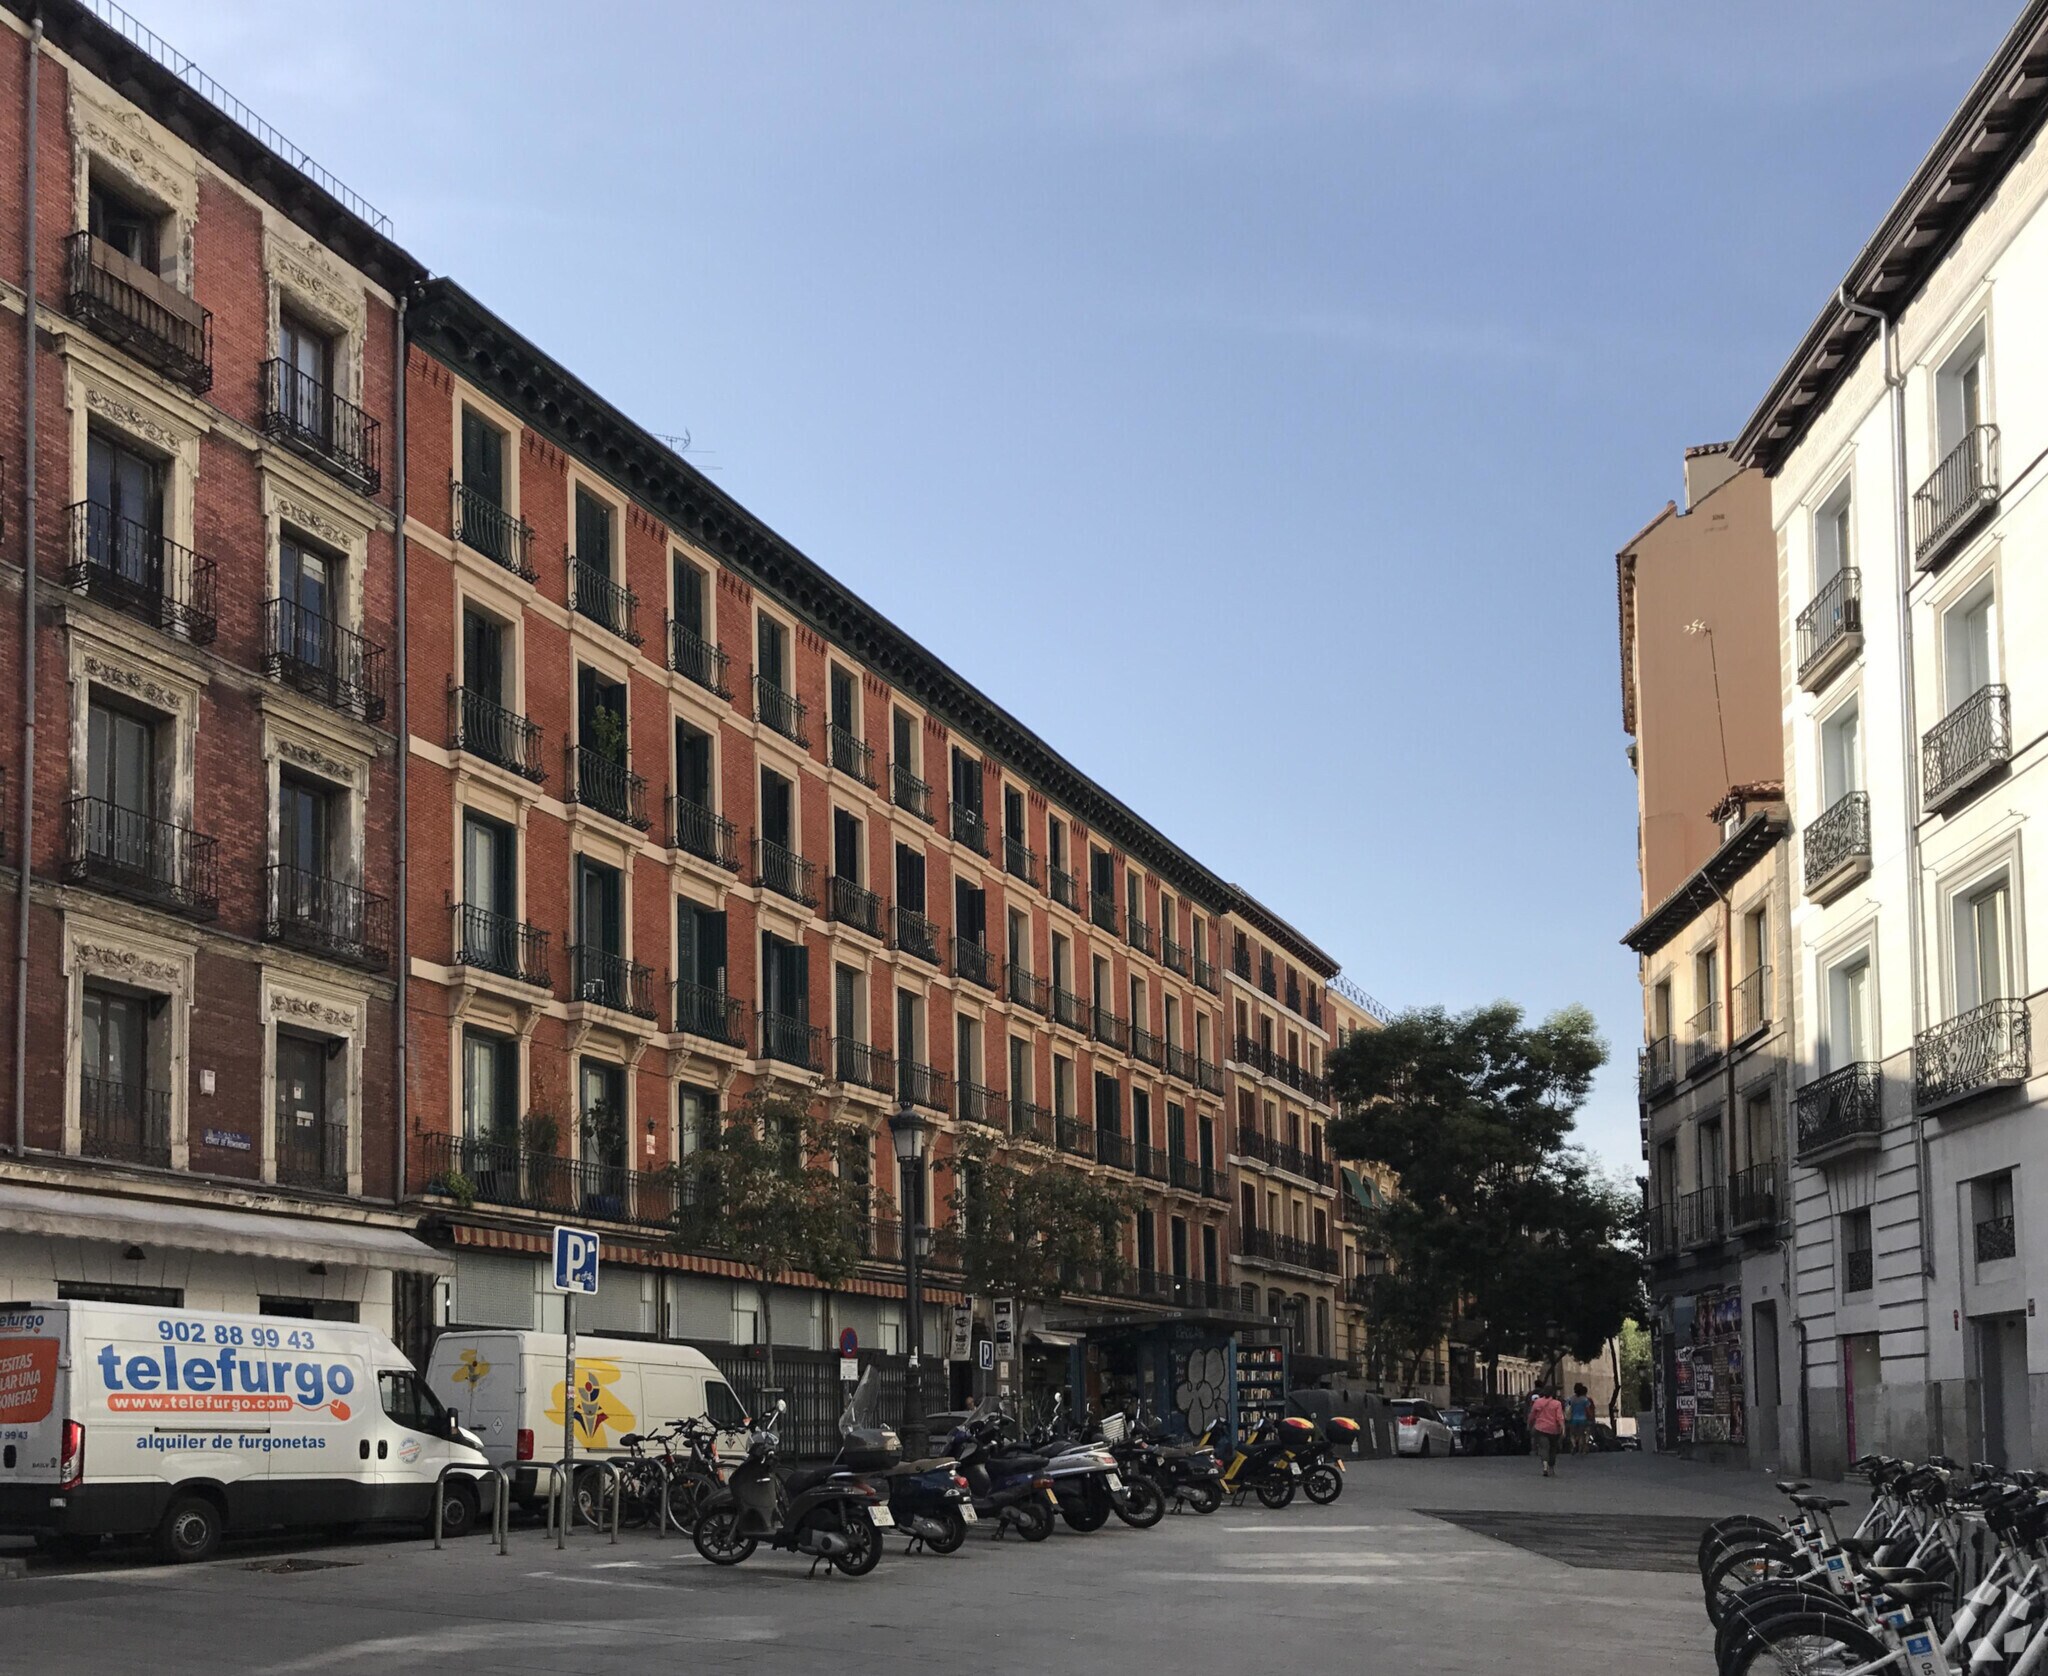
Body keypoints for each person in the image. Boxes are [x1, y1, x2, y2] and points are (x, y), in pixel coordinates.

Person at [1527, 1385, 1566, 1476]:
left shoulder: (1537, 1402)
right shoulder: (1557, 1404)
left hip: (1540, 1428)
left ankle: (1545, 1467)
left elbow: (1532, 1415)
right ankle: (1551, 1467)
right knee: (1552, 1448)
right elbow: (1560, 1417)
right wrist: (1563, 1428)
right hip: (1553, 1429)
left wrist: (1529, 1424)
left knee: (1543, 1447)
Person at [1567, 1383, 1594, 1455]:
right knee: (1581, 1435)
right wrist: (1591, 1417)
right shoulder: (1584, 1400)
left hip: (1573, 1419)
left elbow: (1567, 1408)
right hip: (1583, 1419)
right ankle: (1581, 1449)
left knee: (1572, 1434)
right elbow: (1588, 1410)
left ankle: (1574, 1445)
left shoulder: (1571, 1399)